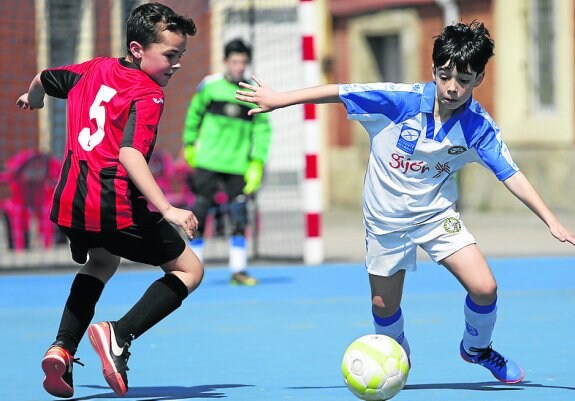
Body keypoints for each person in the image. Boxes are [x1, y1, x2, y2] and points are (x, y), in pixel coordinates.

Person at [236, 21, 575, 383]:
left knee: (485, 288)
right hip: (385, 221)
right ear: (433, 71)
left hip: (436, 216)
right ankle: (398, 356)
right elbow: (338, 89)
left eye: (463, 79)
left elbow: (510, 174)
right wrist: (279, 99)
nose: (452, 87)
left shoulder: (479, 128)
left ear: (479, 79)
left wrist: (550, 220)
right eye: (444, 76)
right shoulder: (399, 101)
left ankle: (476, 349)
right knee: (384, 306)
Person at [16, 3, 202, 398]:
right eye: (170, 55)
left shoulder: (94, 68)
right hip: (109, 204)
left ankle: (62, 348)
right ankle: (118, 334)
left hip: (68, 202)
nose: (176, 64)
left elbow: (43, 77)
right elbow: (129, 154)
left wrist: (33, 98)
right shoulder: (148, 94)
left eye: (180, 56)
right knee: (189, 270)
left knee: (101, 261)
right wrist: (168, 209)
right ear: (138, 49)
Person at [182, 38, 272, 286]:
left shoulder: (253, 92)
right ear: (225, 62)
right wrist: (189, 143)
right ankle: (192, 270)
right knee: (200, 211)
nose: (238, 66)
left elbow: (262, 130)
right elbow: (194, 114)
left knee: (239, 213)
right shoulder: (209, 86)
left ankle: (238, 270)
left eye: (243, 62)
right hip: (208, 160)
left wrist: (257, 163)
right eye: (234, 61)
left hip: (238, 165)